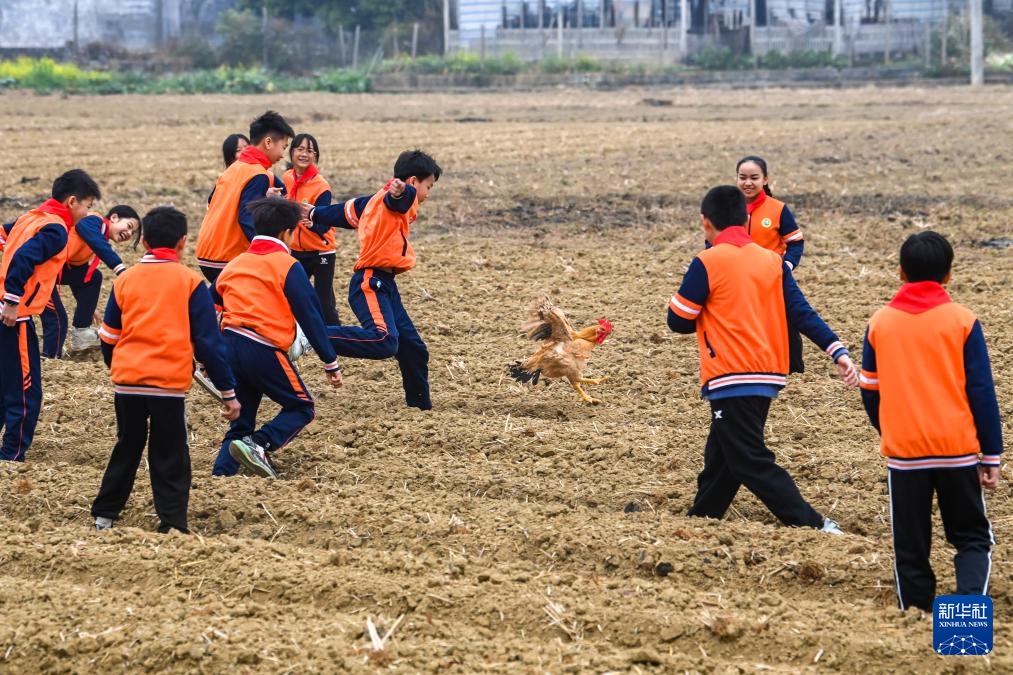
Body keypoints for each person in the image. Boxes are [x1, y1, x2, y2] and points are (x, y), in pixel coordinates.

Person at [667, 185, 858, 532]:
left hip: (730, 373)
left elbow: (678, 321)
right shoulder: (772, 261)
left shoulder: (707, 261)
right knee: (723, 457)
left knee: (748, 459)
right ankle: (702, 520)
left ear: (704, 222)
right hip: (767, 373)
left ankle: (813, 524)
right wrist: (837, 350)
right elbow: (801, 312)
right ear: (747, 218)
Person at [860, 231, 1002, 612]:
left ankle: (918, 627)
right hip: (957, 451)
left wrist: (891, 428)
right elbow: (982, 394)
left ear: (901, 273)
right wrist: (991, 455)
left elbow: (869, 392)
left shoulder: (879, 324)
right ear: (949, 275)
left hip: (905, 455)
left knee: (911, 547)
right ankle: (963, 630)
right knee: (971, 538)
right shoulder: (963, 321)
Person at [93, 206, 239, 533]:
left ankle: (104, 516)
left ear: (143, 241)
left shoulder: (126, 279)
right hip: (167, 386)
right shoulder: (190, 282)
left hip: (128, 383)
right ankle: (172, 524)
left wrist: (117, 366)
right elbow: (208, 344)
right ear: (183, 242)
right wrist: (228, 392)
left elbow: (109, 337)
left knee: (126, 447)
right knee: (170, 454)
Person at [211, 198, 343, 479]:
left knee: (241, 421)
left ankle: (221, 477)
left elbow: (209, 304)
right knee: (302, 406)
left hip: (229, 346)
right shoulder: (287, 264)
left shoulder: (235, 263)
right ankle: (259, 445)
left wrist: (205, 351)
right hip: (262, 347)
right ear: (287, 232)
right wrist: (330, 362)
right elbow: (310, 316)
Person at [303, 150, 441, 411]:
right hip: (370, 283)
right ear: (413, 181)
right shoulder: (397, 197)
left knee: (413, 349)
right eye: (428, 186)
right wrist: (401, 192)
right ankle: (308, 336)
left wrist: (313, 214)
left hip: (386, 286)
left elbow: (343, 212)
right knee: (383, 341)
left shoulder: (374, 201)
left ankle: (420, 410)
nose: (428, 194)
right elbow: (400, 199)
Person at [0, 169, 101, 461]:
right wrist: (12, 299)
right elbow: (24, 258)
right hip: (14, 317)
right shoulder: (56, 229)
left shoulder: (31, 217)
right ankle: (11, 455)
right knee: (25, 391)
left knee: (6, 385)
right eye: (88, 206)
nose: (88, 213)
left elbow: (7, 238)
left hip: (10, 313)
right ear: (72, 202)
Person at [196, 111, 293, 283]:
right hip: (228, 257)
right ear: (269, 142)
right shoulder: (257, 174)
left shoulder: (235, 168)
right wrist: (267, 251)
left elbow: (212, 201)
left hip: (206, 253)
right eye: (283, 147)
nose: (282, 154)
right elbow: (247, 218)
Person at [736, 156, 806, 373]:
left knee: (787, 323)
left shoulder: (777, 209)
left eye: (754, 177)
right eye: (743, 177)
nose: (748, 182)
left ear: (765, 180)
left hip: (773, 279)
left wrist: (787, 266)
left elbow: (795, 242)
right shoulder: (729, 209)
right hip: (739, 280)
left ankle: (795, 371)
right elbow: (713, 241)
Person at [40, 205, 139, 357]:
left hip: (53, 271)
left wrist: (87, 307)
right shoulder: (92, 220)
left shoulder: (95, 239)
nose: (129, 233)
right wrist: (120, 270)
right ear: (114, 217)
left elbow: (78, 275)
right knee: (57, 320)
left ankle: (82, 334)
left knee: (93, 277)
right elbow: (94, 239)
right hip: (38, 271)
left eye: (132, 233)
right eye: (129, 226)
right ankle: (49, 358)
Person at [283, 133, 340, 325]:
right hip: (296, 250)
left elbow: (325, 224)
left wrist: (313, 225)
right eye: (299, 149)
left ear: (315, 156)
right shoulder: (287, 178)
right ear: (291, 153)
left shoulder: (321, 187)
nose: (304, 154)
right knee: (291, 295)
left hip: (321, 250)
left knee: (323, 301)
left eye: (309, 150)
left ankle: (336, 340)